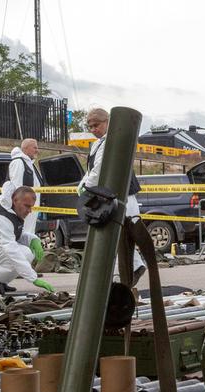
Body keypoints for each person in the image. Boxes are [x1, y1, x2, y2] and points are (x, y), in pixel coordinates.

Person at [79, 107, 145, 279]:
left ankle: (127, 270)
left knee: (121, 233)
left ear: (108, 122)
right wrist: (83, 184)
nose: (93, 130)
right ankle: (134, 267)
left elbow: (99, 169)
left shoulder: (111, 141)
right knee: (117, 234)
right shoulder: (97, 144)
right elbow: (92, 169)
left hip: (123, 194)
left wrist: (87, 186)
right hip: (110, 196)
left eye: (97, 125)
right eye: (90, 126)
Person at [0, 186, 54, 292]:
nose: (29, 211)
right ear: (15, 200)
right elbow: (11, 250)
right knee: (24, 253)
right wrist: (33, 278)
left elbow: (13, 234)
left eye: (31, 207)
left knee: (26, 252)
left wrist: (32, 240)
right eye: (27, 206)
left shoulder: (9, 210)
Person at [1, 138, 43, 213]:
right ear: (25, 148)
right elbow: (17, 186)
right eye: (35, 147)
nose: (37, 150)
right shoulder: (18, 162)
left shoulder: (30, 163)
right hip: (23, 210)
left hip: (30, 209)